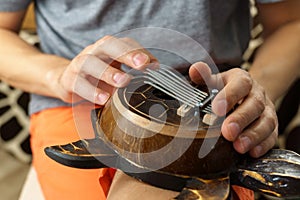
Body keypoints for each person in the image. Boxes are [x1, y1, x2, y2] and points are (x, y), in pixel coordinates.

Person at [0, 0, 299, 199]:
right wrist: (60, 75)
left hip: (214, 103)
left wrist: (255, 94)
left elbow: (291, 23)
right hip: (81, 99)